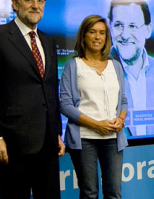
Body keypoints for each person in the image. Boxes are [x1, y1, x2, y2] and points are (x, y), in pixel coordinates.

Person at [0, 0, 65, 199]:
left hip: (48, 142)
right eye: (29, 0)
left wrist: (57, 133)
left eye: (40, 0)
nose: (36, 5)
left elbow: (50, 89)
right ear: (15, 3)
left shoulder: (47, 40)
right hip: (12, 142)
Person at [60, 15, 129, 199]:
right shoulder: (73, 66)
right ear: (84, 36)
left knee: (114, 192)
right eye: (92, 32)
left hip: (113, 137)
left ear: (107, 37)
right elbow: (65, 105)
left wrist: (121, 119)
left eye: (102, 33)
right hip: (84, 138)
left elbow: (123, 100)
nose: (97, 37)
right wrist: (95, 124)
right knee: (89, 193)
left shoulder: (115, 66)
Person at [108, 0, 154, 135]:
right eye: (118, 25)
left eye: (133, 26)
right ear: (110, 27)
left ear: (148, 30)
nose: (125, 35)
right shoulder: (99, 70)